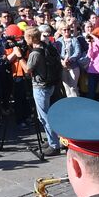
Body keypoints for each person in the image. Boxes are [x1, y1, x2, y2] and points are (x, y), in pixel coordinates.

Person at [24, 26, 63, 154]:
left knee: (44, 116)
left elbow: (27, 70)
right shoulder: (47, 47)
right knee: (47, 115)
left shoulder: (35, 53)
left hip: (40, 87)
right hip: (50, 84)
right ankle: (54, 139)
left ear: (30, 38)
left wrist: (19, 57)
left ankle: (54, 145)